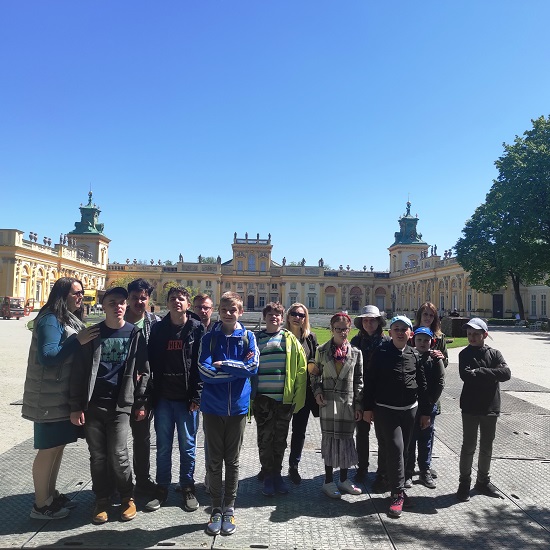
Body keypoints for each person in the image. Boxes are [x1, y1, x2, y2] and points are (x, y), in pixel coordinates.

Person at [69, 287, 150, 524]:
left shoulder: (134, 333)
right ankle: (102, 499)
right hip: (93, 404)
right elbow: (79, 371)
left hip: (120, 404)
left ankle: (127, 497)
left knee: (118, 453)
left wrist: (141, 401)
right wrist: (76, 406)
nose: (118, 307)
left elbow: (144, 371)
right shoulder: (92, 334)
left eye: (122, 302)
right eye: (112, 303)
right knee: (98, 456)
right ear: (103, 306)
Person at [22, 277, 99, 520]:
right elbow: (48, 357)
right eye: (75, 293)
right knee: (47, 449)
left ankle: (50, 495)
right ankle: (41, 505)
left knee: (57, 447)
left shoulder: (66, 318)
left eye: (82, 292)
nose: (80, 297)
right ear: (61, 295)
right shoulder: (50, 319)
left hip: (58, 395)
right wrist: (78, 341)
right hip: (47, 397)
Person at [198, 292, 259, 536]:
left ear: (240, 312)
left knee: (232, 460)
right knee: (214, 459)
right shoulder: (209, 338)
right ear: (218, 311)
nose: (228, 313)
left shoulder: (248, 337)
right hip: (212, 407)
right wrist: (237, 371)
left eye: (233, 309)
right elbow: (204, 372)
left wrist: (223, 365)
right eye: (224, 309)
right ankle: (215, 506)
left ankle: (229, 507)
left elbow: (252, 367)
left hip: (237, 408)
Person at [363, 316, 431, 518]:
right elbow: (370, 381)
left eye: (404, 329)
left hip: (409, 410)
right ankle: (397, 494)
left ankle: (396, 485)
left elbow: (422, 384)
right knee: (395, 448)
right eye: (396, 329)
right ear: (390, 332)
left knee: (405, 450)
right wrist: (367, 408)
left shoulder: (414, 354)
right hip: (386, 409)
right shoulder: (381, 352)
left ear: (410, 333)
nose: (400, 332)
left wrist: (426, 412)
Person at [145, 286, 204, 513]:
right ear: (167, 302)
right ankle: (162, 488)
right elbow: (150, 361)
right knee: (163, 446)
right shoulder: (159, 329)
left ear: (188, 304)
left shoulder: (196, 329)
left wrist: (197, 395)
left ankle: (187, 486)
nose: (176, 302)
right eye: (172, 298)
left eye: (181, 298)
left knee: (188, 446)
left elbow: (201, 364)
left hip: (186, 399)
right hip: (163, 398)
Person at [253, 302, 307, 496]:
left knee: (280, 440)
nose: (274, 317)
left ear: (281, 318)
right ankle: (268, 475)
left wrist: (297, 396)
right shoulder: (255, 339)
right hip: (262, 399)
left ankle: (277, 474)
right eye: (270, 314)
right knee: (264, 439)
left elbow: (301, 368)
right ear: (264, 317)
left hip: (283, 399)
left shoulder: (289, 339)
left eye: (277, 314)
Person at [456, 318, 511, 502]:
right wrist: (492, 374)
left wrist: (479, 371)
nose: (471, 337)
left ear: (484, 335)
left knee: (487, 446)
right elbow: (466, 376)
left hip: (490, 407)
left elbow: (506, 374)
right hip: (470, 406)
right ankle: (464, 483)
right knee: (468, 446)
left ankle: (482, 481)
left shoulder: (494, 353)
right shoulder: (464, 354)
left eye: (476, 334)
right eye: (469, 334)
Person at [310, 313, 363, 499]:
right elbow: (315, 374)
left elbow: (359, 380)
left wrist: (358, 404)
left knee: (346, 441)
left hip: (347, 403)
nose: (342, 332)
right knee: (330, 441)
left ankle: (344, 479)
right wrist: (317, 392)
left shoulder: (356, 353)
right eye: (338, 329)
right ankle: (328, 481)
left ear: (350, 329)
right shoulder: (322, 350)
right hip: (328, 401)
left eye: (345, 329)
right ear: (331, 329)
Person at [125, 278, 160, 495]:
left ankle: (143, 479)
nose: (139, 302)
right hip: (117, 388)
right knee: (115, 440)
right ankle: (119, 483)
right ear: (128, 298)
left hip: (144, 390)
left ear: (149, 299)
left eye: (143, 298)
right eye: (135, 297)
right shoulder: (117, 319)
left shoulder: (155, 323)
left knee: (142, 437)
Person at [350, 305, 390, 489]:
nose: (368, 323)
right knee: (362, 433)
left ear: (378, 322)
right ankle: (362, 467)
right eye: (365, 320)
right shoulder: (356, 341)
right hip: (361, 392)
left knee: (383, 435)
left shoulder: (386, 341)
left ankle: (382, 471)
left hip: (381, 393)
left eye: (372, 320)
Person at [405, 327, 445, 489]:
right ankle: (408, 471)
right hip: (411, 406)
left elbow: (440, 383)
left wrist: (429, 405)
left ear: (432, 342)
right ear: (413, 341)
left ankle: (424, 470)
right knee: (410, 440)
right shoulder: (408, 356)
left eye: (426, 340)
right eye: (419, 340)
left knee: (425, 440)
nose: (422, 343)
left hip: (428, 406)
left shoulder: (435, 359)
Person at [413, 301, 448, 480]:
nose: (427, 318)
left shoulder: (439, 338)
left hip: (431, 393)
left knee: (428, 431)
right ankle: (409, 467)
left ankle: (425, 466)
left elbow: (445, 364)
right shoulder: (411, 332)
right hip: (412, 394)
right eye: (425, 314)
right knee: (411, 434)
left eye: (431, 315)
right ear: (419, 315)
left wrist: (441, 357)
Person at [285, 302, 319, 485]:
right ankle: (270, 466)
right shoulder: (281, 336)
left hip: (304, 392)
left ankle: (294, 465)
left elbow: (316, 359)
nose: (297, 317)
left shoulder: (310, 338)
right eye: (294, 313)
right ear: (288, 316)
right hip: (284, 391)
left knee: (299, 431)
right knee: (279, 431)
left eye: (301, 315)